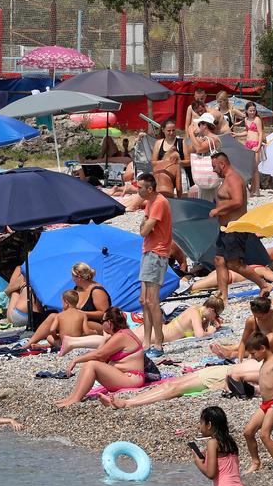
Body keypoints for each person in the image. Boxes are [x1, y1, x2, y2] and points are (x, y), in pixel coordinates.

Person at [56, 307, 146, 408]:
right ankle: (72, 397)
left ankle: (76, 398)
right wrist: (105, 339)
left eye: (102, 321)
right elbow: (101, 356)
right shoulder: (121, 334)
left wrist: (76, 360)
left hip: (132, 378)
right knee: (90, 364)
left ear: (109, 323)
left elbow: (99, 354)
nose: (101, 323)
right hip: (127, 376)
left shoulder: (121, 336)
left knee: (92, 364)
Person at [210, 149, 265, 304]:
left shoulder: (233, 178)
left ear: (222, 164)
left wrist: (218, 209)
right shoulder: (226, 179)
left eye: (215, 166)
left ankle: (263, 284)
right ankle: (223, 297)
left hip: (235, 227)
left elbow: (238, 201)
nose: (213, 170)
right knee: (219, 260)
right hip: (226, 228)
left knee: (233, 263)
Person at [243, 331, 273, 471]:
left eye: (253, 353)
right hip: (265, 404)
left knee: (264, 434)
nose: (252, 357)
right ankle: (256, 462)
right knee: (248, 432)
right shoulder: (264, 362)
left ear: (263, 348)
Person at [137, 173, 172, 355]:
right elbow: (143, 228)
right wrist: (144, 227)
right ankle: (146, 342)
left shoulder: (158, 202)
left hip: (156, 253)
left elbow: (144, 231)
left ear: (149, 189)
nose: (138, 190)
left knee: (152, 301)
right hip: (148, 251)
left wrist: (144, 227)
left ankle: (158, 343)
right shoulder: (150, 202)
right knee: (144, 301)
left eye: (140, 187)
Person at [151, 121, 184, 197]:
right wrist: (180, 200)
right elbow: (179, 188)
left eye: (173, 130)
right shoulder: (176, 166)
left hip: (155, 192)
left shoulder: (156, 167)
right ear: (163, 130)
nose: (171, 133)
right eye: (169, 130)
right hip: (167, 192)